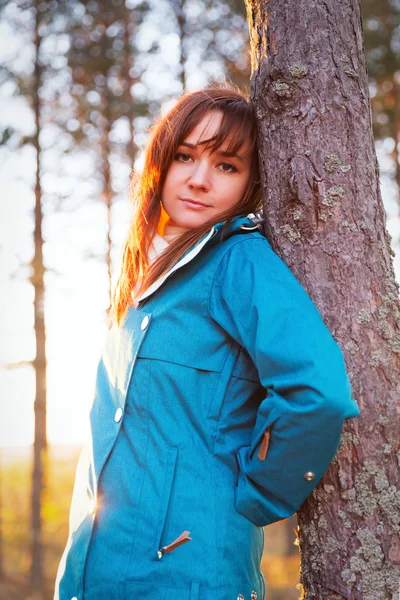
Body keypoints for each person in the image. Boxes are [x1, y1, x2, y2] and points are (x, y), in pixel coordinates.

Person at [54, 86, 360, 600]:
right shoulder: (139, 287)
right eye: (186, 156)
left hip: (189, 575)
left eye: (226, 165)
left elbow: (318, 393)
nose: (199, 179)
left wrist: (258, 496)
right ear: (161, 163)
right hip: (94, 573)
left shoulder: (240, 262)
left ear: (250, 182)